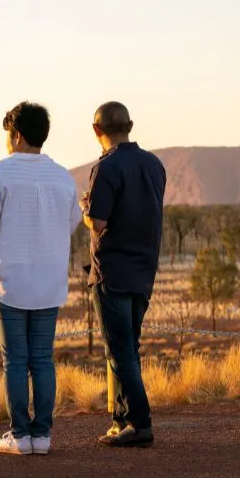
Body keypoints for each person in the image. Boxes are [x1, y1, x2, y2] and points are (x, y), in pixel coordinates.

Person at [0, 102, 82, 456]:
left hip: (10, 280)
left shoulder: (1, 173)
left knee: (15, 360)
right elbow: (71, 221)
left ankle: (19, 434)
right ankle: (43, 435)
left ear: (16, 135)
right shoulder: (63, 176)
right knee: (42, 358)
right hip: (48, 280)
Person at [81, 101, 165, 448]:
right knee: (129, 347)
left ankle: (140, 422)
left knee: (120, 352)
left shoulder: (107, 167)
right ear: (130, 125)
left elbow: (98, 223)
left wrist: (86, 208)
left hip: (112, 271)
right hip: (144, 271)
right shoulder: (154, 165)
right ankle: (121, 420)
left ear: (96, 130)